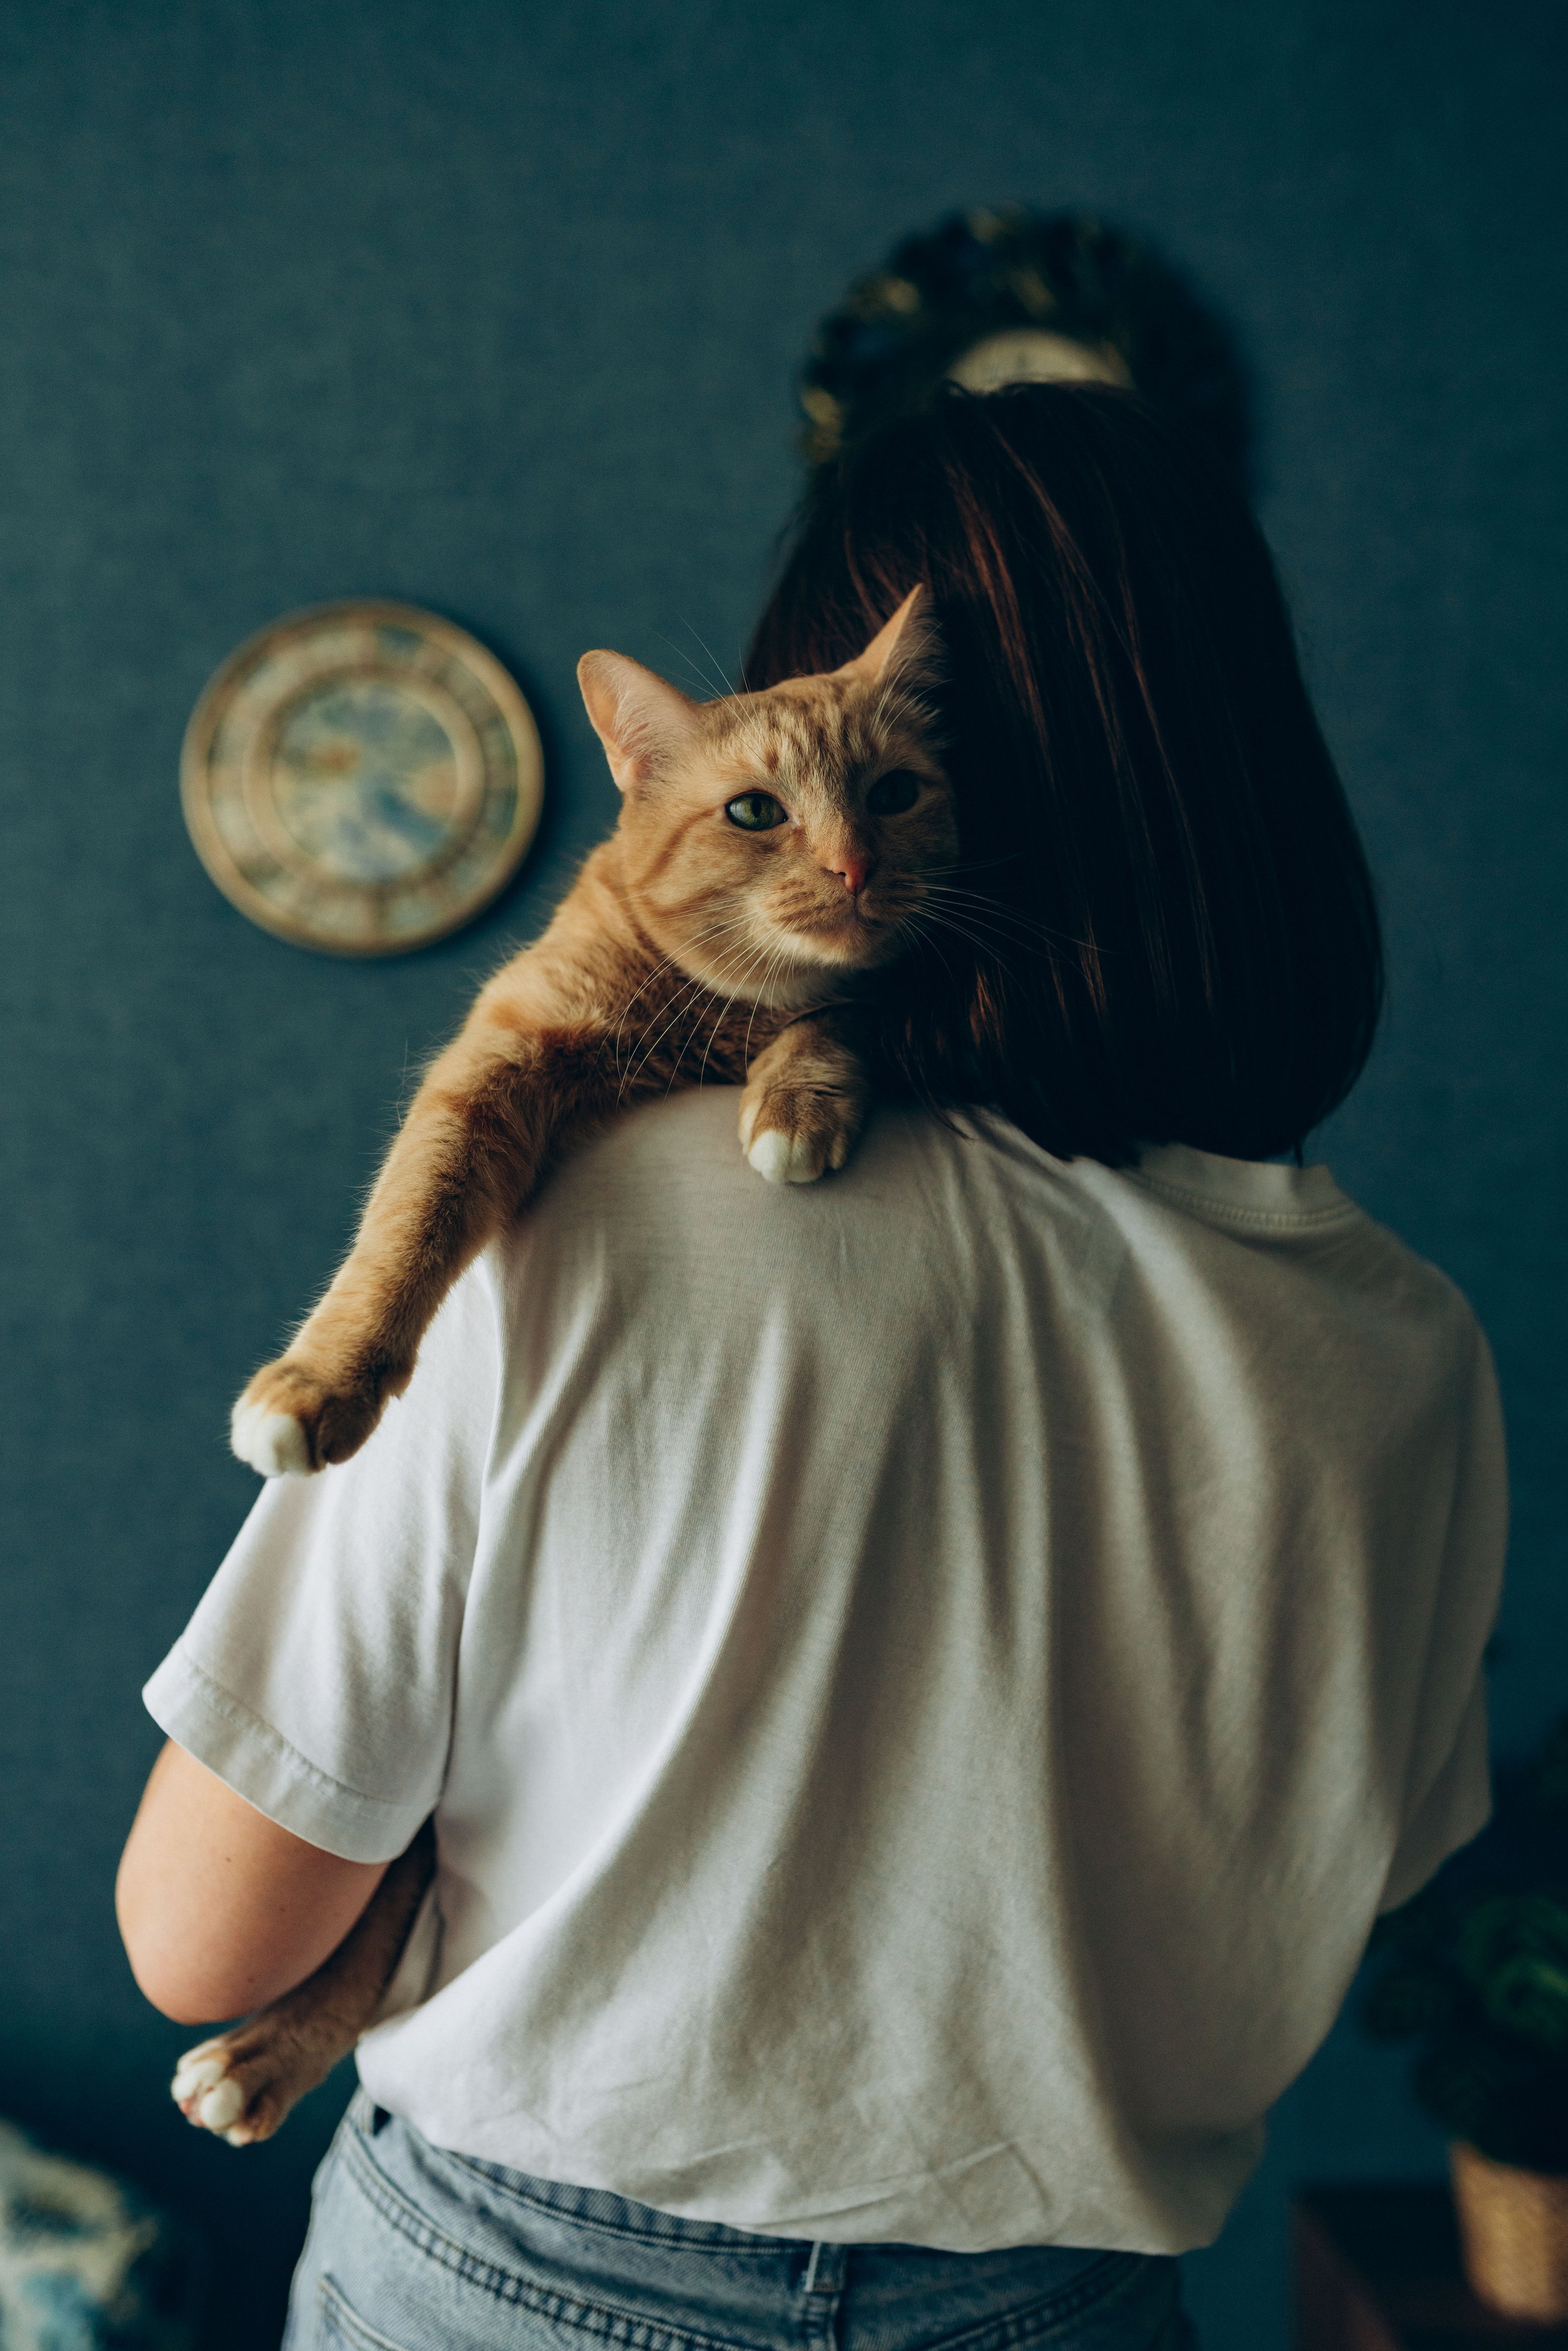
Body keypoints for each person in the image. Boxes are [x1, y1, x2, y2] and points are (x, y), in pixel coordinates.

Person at [117, 387, 1506, 2351]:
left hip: (517, 2289)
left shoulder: (583, 1211)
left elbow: (201, 1940)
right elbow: (1331, 1892)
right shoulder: (1409, 1348)